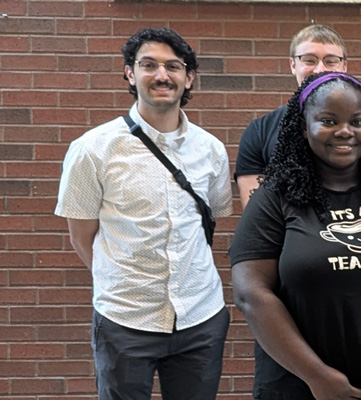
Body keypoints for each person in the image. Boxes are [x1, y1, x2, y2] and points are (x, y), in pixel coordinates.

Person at [230, 72, 361, 400]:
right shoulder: (274, 198)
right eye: (328, 121)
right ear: (303, 127)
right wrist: (319, 377)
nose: (345, 131)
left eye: (357, 121)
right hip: (303, 387)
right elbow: (251, 293)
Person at [56, 27, 233, 400]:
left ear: (189, 79)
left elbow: (212, 217)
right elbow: (81, 236)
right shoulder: (92, 149)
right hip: (125, 320)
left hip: (200, 318)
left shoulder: (211, 150)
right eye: (148, 65)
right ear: (129, 73)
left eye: (173, 66)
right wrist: (120, 281)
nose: (162, 75)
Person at [235, 24, 361, 208]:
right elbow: (256, 214)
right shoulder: (260, 131)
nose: (319, 69)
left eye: (331, 61)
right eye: (309, 60)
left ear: (344, 66)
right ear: (293, 64)